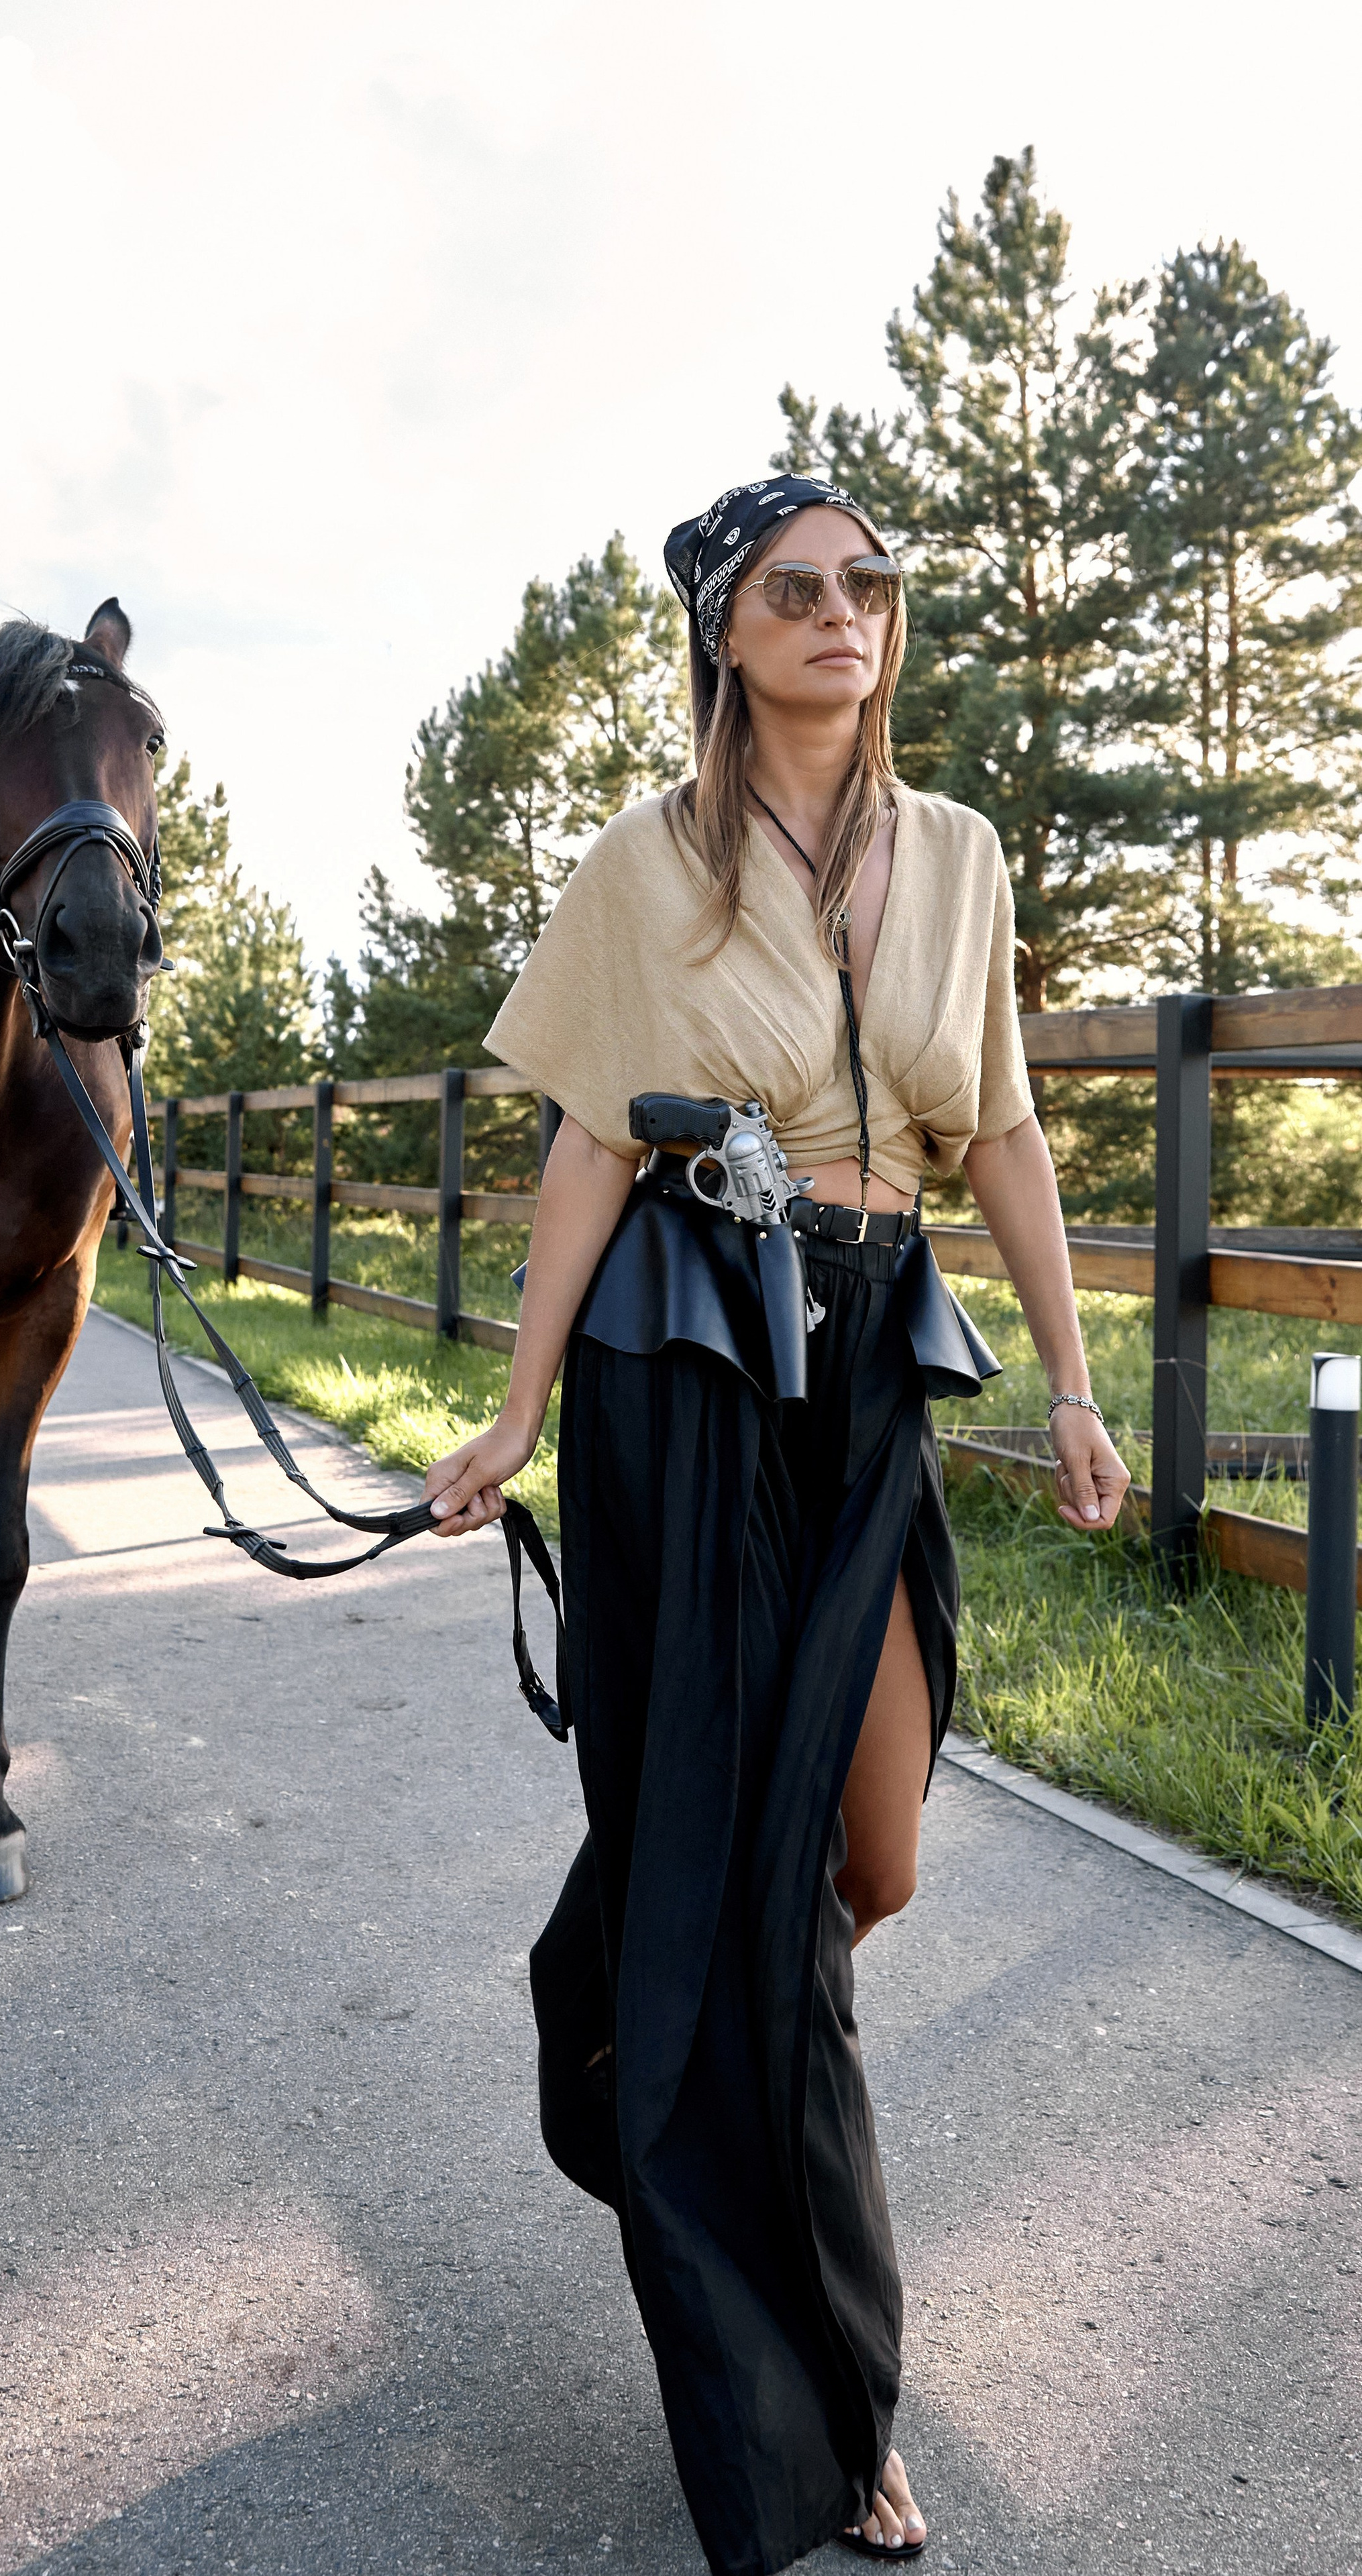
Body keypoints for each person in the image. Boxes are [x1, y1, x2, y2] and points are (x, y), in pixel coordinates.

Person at [420, 474, 1132, 2573]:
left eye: (870, 585)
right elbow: (578, 1151)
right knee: (772, 1906)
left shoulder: (965, 856)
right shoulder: (647, 863)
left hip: (873, 1369)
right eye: (795, 589)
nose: (844, 614)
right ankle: (821, 2400)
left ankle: (625, 1999)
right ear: (725, 632)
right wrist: (518, 1404)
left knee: (866, 1855)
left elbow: (995, 1120)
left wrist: (1076, 1387)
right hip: (688, 1378)